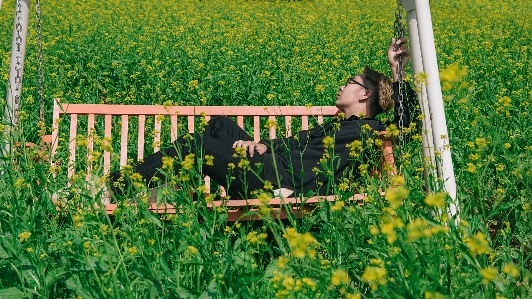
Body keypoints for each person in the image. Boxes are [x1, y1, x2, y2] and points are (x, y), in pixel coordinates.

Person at [110, 38, 417, 199]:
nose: (342, 85)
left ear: (365, 95)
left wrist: (397, 71)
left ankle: (114, 189)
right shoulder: (337, 125)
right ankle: (162, 187)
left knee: (195, 145)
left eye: (350, 81)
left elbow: (410, 123)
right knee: (219, 125)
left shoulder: (371, 130)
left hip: (278, 183)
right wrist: (260, 146)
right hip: (271, 167)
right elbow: (294, 142)